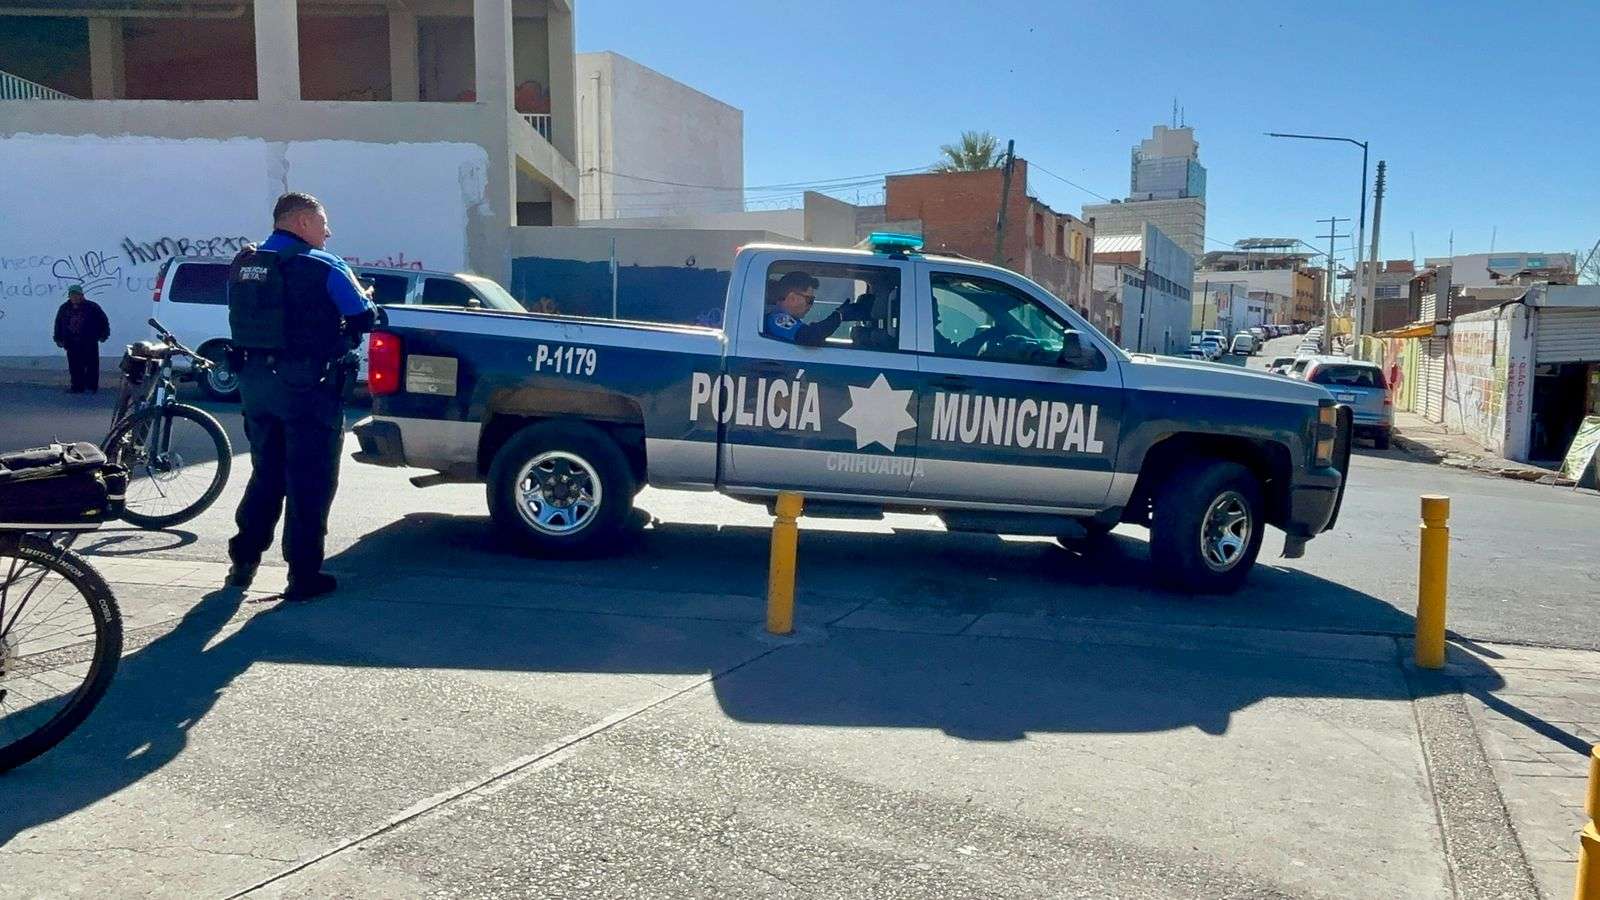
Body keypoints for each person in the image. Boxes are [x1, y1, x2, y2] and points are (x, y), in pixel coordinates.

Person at [225, 192, 376, 602]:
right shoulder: (323, 264)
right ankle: (303, 575)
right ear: (303, 222)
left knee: (266, 473)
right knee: (310, 480)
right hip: (308, 388)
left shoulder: (244, 264)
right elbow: (365, 315)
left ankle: (243, 561)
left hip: (255, 385)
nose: (328, 232)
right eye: (323, 223)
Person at [764, 271, 866, 346]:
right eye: (809, 300)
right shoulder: (777, 319)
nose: (810, 305)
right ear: (792, 298)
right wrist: (839, 315)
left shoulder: (786, 318)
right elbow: (810, 336)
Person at [52, 285, 111, 393]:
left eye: (77, 294)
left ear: (82, 295)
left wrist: (104, 335)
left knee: (91, 365)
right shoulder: (64, 308)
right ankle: (77, 386)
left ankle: (91, 386)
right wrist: (58, 338)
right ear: (69, 296)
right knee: (74, 365)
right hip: (71, 342)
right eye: (72, 295)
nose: (75, 297)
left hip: (89, 341)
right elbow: (58, 324)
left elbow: (103, 321)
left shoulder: (92, 307)